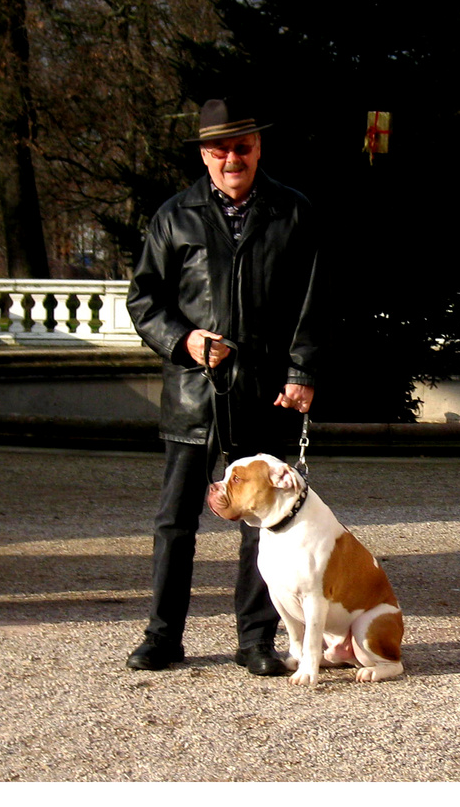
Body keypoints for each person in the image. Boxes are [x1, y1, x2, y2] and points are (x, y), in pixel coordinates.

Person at [124, 97, 320, 675]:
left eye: (243, 146)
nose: (232, 158)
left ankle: (255, 640)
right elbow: (143, 298)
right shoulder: (174, 216)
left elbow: (315, 301)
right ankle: (163, 636)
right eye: (220, 148)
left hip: (265, 391)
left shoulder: (294, 212)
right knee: (174, 521)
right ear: (204, 153)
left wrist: (302, 372)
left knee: (266, 520)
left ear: (259, 147)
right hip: (192, 394)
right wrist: (182, 340)